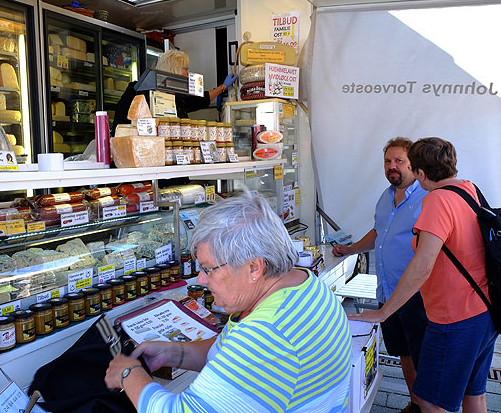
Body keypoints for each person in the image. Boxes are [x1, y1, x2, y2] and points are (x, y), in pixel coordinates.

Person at [105, 192, 352, 412]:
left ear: (254, 267)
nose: (201, 279)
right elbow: (229, 349)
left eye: (208, 269)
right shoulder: (303, 284)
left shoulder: (266, 334)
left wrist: (129, 374)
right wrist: (172, 353)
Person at [350, 137, 498, 413]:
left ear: (420, 172)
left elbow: (423, 264)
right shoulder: (468, 189)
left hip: (454, 317)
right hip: (482, 310)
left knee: (429, 401)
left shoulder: (437, 200)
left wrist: (383, 313)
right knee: (473, 394)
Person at [332, 137, 429, 413]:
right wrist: (351, 249)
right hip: (387, 292)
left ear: (412, 164)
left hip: (416, 294)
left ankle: (431, 407)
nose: (392, 166)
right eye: (388, 161)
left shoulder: (427, 197)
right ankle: (416, 404)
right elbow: (379, 233)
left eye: (399, 161)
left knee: (423, 356)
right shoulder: (385, 197)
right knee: (403, 353)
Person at [113, 50, 237, 126]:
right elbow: (122, 123)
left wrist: (223, 87)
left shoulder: (176, 95)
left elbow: (201, 99)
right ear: (174, 69)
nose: (188, 74)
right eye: (186, 69)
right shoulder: (138, 90)